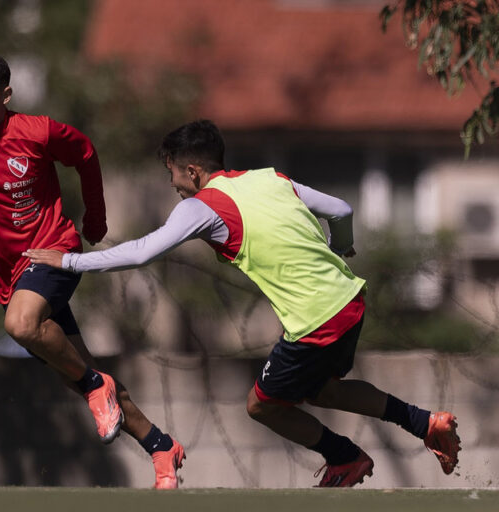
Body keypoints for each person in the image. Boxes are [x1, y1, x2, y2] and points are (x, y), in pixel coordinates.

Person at [24, 119, 462, 487]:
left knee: (262, 405)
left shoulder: (201, 206)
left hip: (316, 319)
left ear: (192, 171)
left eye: (173, 173)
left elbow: (142, 252)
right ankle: (425, 423)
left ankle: (346, 457)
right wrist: (340, 248)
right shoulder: (269, 178)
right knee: (324, 390)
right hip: (349, 297)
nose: (173, 184)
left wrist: (70, 260)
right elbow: (342, 209)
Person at [0, 52, 185, 489]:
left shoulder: (37, 132)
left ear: (6, 95)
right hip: (8, 279)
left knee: (20, 325)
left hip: (52, 252)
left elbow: (86, 153)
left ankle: (96, 386)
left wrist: (95, 218)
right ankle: (161, 446)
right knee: (82, 375)